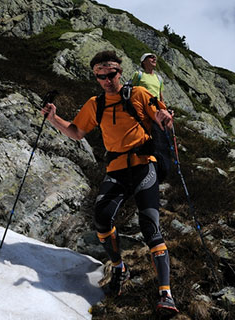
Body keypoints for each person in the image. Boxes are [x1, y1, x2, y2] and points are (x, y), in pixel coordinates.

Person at [41, 50, 178, 315]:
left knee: (150, 225)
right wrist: (53, 118)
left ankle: (166, 295)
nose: (106, 79)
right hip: (116, 168)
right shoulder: (95, 104)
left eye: (111, 74)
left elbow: (162, 117)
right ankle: (118, 267)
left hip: (143, 165)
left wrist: (165, 120)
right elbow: (76, 132)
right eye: (100, 76)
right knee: (102, 219)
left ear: (120, 72)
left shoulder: (139, 94)